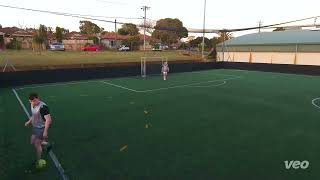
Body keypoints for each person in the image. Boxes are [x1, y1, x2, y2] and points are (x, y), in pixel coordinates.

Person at [24, 92, 52, 166]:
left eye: (33, 101)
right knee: (32, 141)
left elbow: (49, 120)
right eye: (30, 101)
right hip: (35, 127)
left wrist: (45, 131)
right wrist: (29, 121)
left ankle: (38, 161)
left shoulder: (43, 107)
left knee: (37, 145)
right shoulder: (32, 104)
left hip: (41, 128)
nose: (32, 103)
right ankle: (47, 144)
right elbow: (33, 115)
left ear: (37, 99)